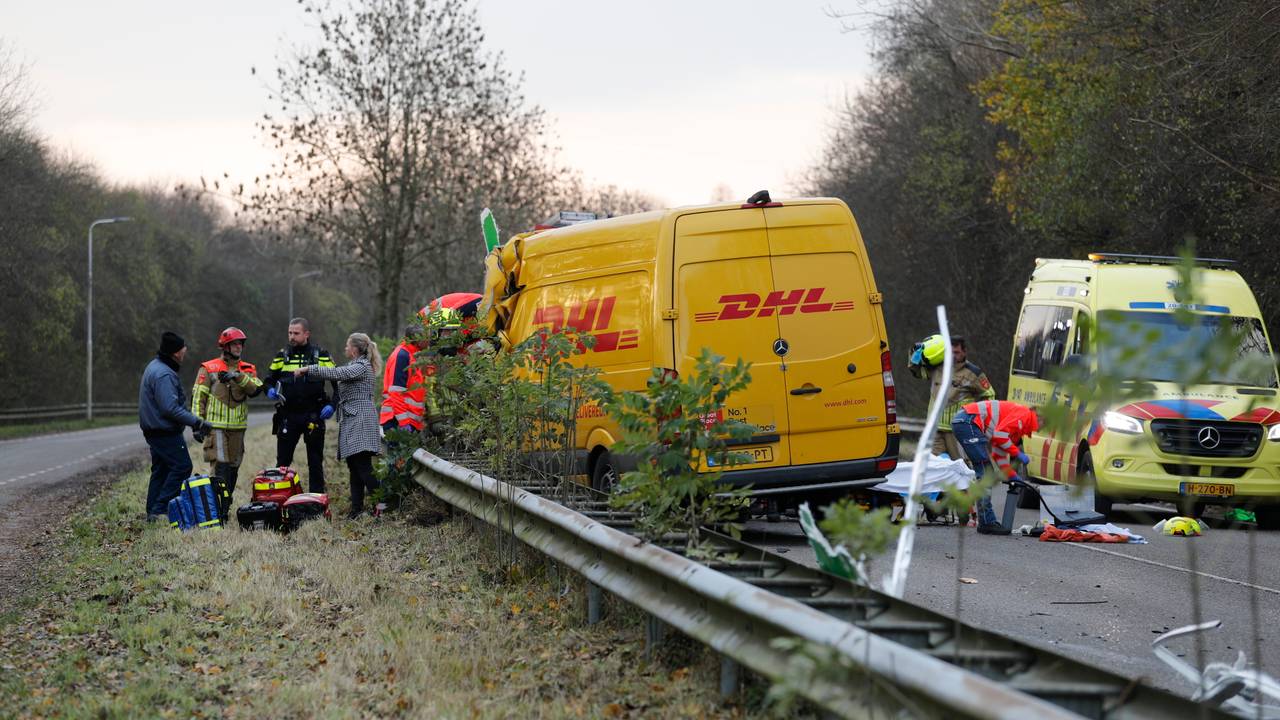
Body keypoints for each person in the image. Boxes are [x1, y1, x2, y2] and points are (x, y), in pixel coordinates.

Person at [295, 333, 384, 518]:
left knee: (363, 465)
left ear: (355, 349)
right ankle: (356, 509)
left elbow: (337, 374)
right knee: (354, 465)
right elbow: (339, 372)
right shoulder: (355, 366)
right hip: (353, 418)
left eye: (347, 346)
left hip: (360, 418)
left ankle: (382, 505)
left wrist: (309, 369)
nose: (345, 349)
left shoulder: (361, 366)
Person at [191, 327, 264, 519]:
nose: (239, 347)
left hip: (238, 429)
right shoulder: (209, 368)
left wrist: (238, 376)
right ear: (225, 346)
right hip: (216, 428)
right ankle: (218, 512)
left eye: (241, 343)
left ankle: (225, 504)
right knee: (220, 469)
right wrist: (197, 425)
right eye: (234, 344)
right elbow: (199, 397)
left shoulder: (247, 368)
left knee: (233, 470)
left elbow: (256, 389)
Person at [139, 331, 212, 521]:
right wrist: (197, 422)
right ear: (176, 352)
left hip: (155, 430)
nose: (185, 350)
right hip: (164, 431)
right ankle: (161, 509)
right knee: (182, 466)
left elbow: (174, 405)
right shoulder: (164, 373)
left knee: (161, 469)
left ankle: (152, 512)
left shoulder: (156, 367)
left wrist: (191, 425)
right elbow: (170, 408)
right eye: (183, 347)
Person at [264, 318, 336, 493]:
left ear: (306, 334)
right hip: (288, 415)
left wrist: (333, 405)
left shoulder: (321, 354)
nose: (292, 337)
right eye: (290, 333)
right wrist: (269, 390)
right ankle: (279, 498)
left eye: (296, 333)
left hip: (314, 414)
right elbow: (267, 381)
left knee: (315, 461)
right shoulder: (282, 355)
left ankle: (316, 500)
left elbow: (338, 384)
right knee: (283, 462)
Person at [951, 400, 1039, 535]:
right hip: (968, 421)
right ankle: (986, 522)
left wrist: (1011, 475)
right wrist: (1018, 453)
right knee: (986, 473)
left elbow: (998, 453)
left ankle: (986, 520)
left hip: (967, 421)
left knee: (986, 471)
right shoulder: (1025, 415)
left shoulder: (1018, 423)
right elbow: (1000, 435)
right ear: (1039, 417)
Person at [908, 334, 996, 462]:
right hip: (935, 428)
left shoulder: (973, 373)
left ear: (965, 352)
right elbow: (915, 371)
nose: (953, 355)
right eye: (950, 352)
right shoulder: (936, 368)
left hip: (957, 430)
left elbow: (989, 395)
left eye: (957, 352)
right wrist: (915, 352)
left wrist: (978, 420)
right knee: (933, 464)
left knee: (961, 465)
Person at [379, 323, 428, 435]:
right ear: (417, 340)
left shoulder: (411, 355)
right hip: (398, 421)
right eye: (426, 337)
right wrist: (404, 422)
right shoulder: (402, 356)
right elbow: (396, 391)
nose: (428, 341)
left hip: (406, 420)